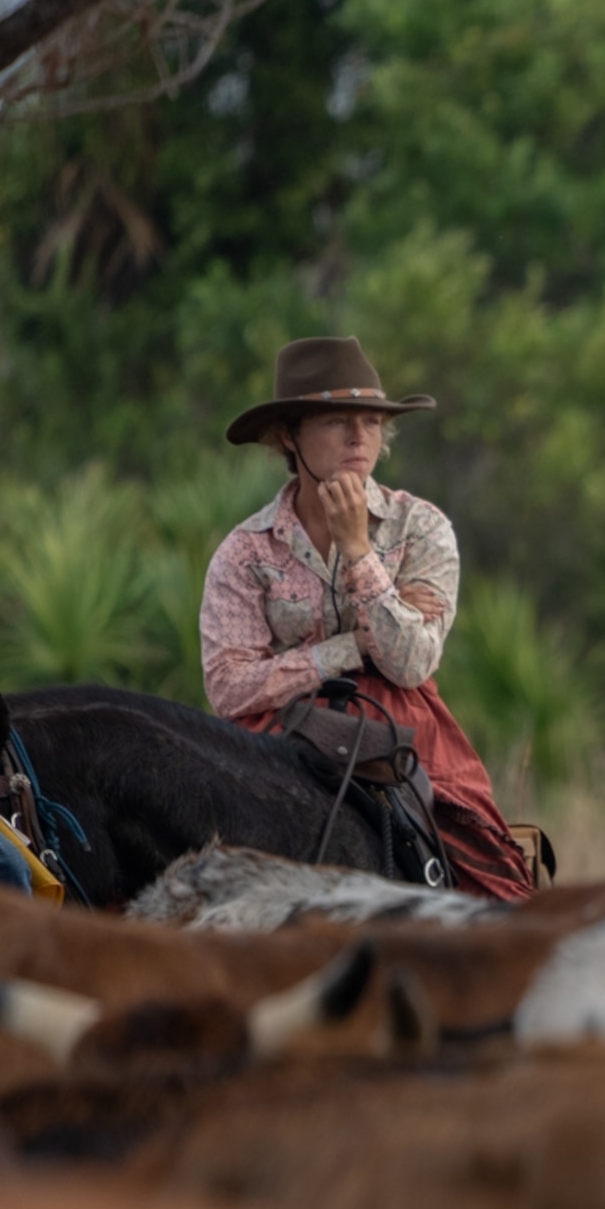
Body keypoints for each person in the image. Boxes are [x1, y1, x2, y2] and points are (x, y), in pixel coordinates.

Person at [201, 336, 537, 900]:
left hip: (403, 726)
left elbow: (410, 663)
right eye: (337, 421)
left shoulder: (420, 528)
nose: (361, 438)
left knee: (494, 879)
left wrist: (358, 551)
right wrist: (352, 647)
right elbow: (228, 688)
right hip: (276, 733)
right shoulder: (245, 552)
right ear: (290, 436)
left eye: (373, 422)